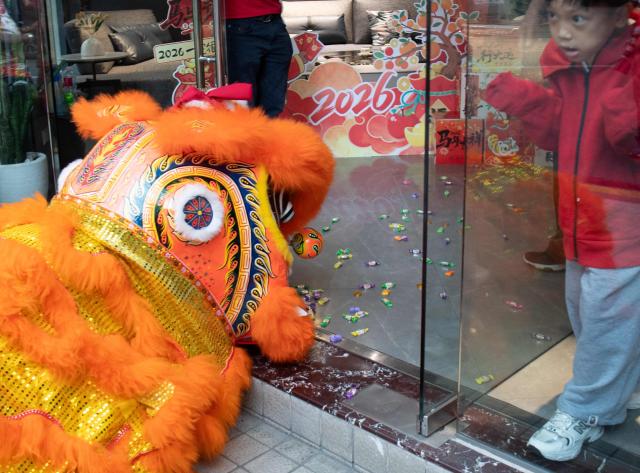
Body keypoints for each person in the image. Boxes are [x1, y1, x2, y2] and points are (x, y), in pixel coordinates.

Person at [486, 0, 640, 462]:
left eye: (577, 18)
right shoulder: (576, 70)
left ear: (618, 17)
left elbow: (628, 141)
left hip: (625, 224)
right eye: (555, 18)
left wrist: (626, 101)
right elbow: (561, 133)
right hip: (581, 218)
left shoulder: (626, 70)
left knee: (606, 322)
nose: (563, 32)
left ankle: (585, 411)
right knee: (588, 315)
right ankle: (618, 387)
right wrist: (526, 99)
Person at [224, 0, 292, 117]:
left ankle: (268, 133)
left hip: (274, 20)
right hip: (239, 22)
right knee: (244, 99)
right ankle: (250, 134)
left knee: (273, 101)